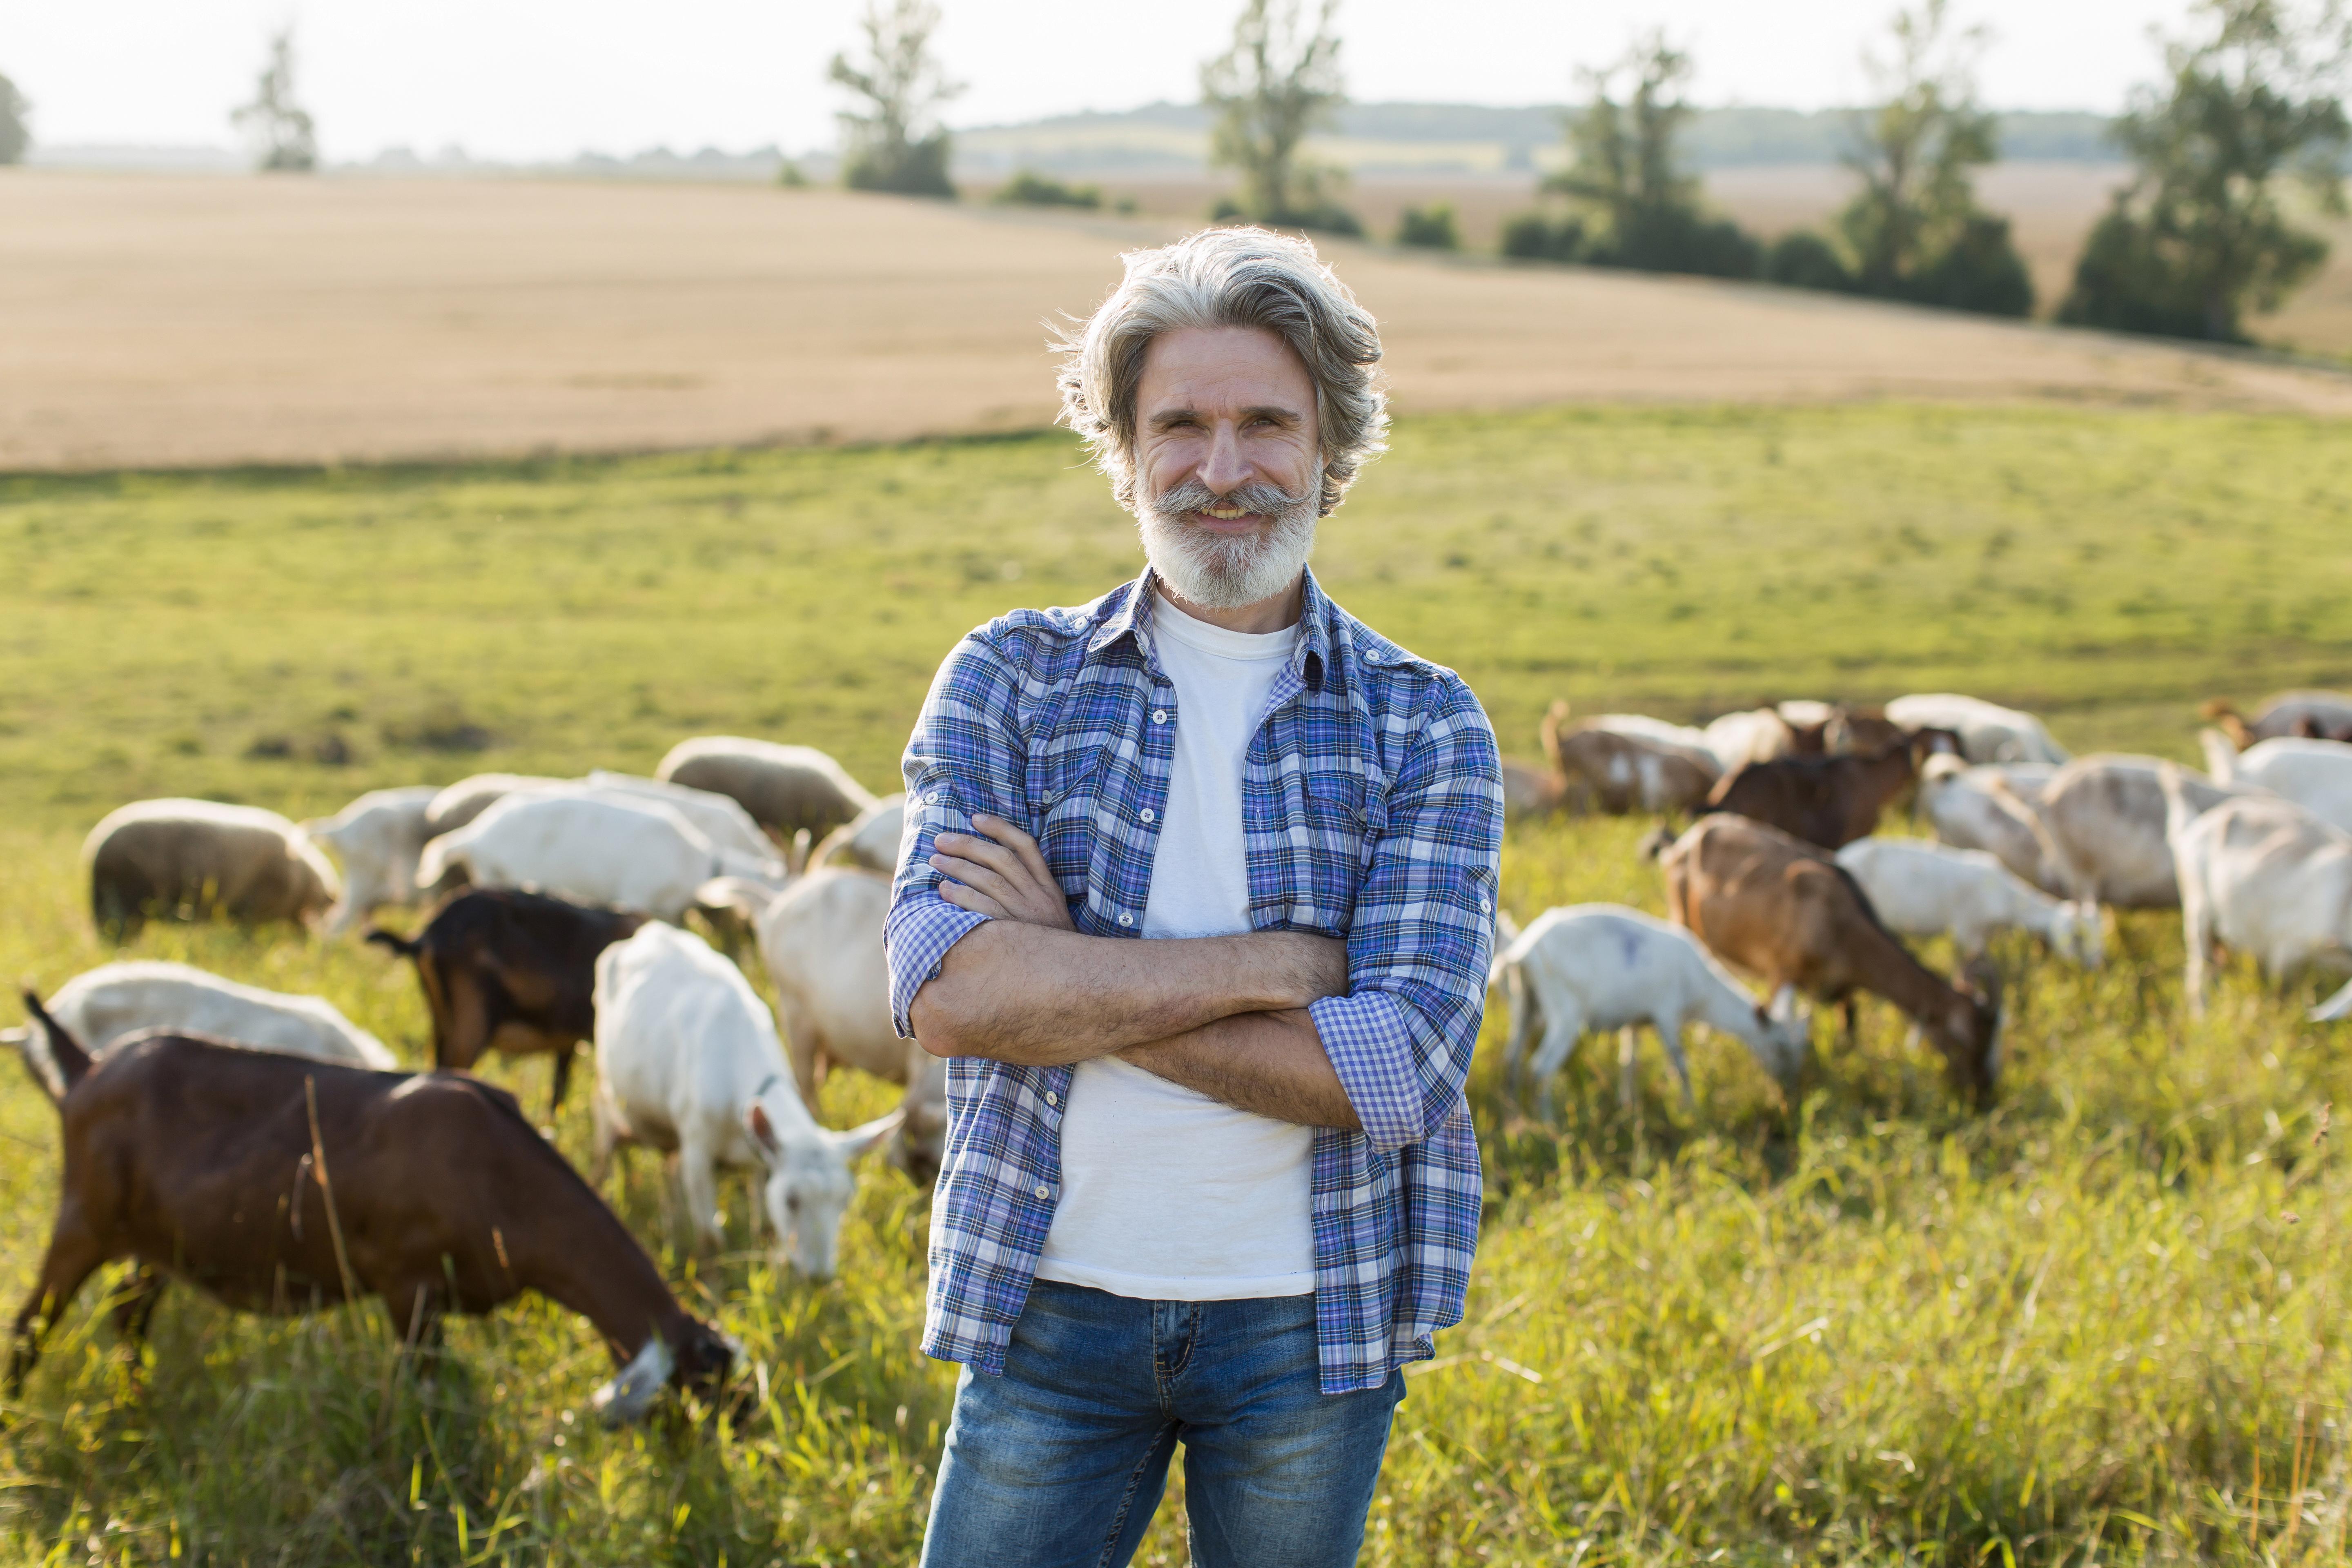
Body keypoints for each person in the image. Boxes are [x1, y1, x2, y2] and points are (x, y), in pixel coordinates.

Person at [887, 225, 1504, 1568]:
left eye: (1266, 423)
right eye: (1180, 424)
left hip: (1306, 1320)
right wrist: (1279, 967)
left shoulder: (1425, 725)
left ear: (1333, 446)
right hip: (1051, 1306)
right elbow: (947, 997)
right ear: (1124, 450)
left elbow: (1391, 1078)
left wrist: (1064, 964)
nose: (1223, 472)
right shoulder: (1012, 681)